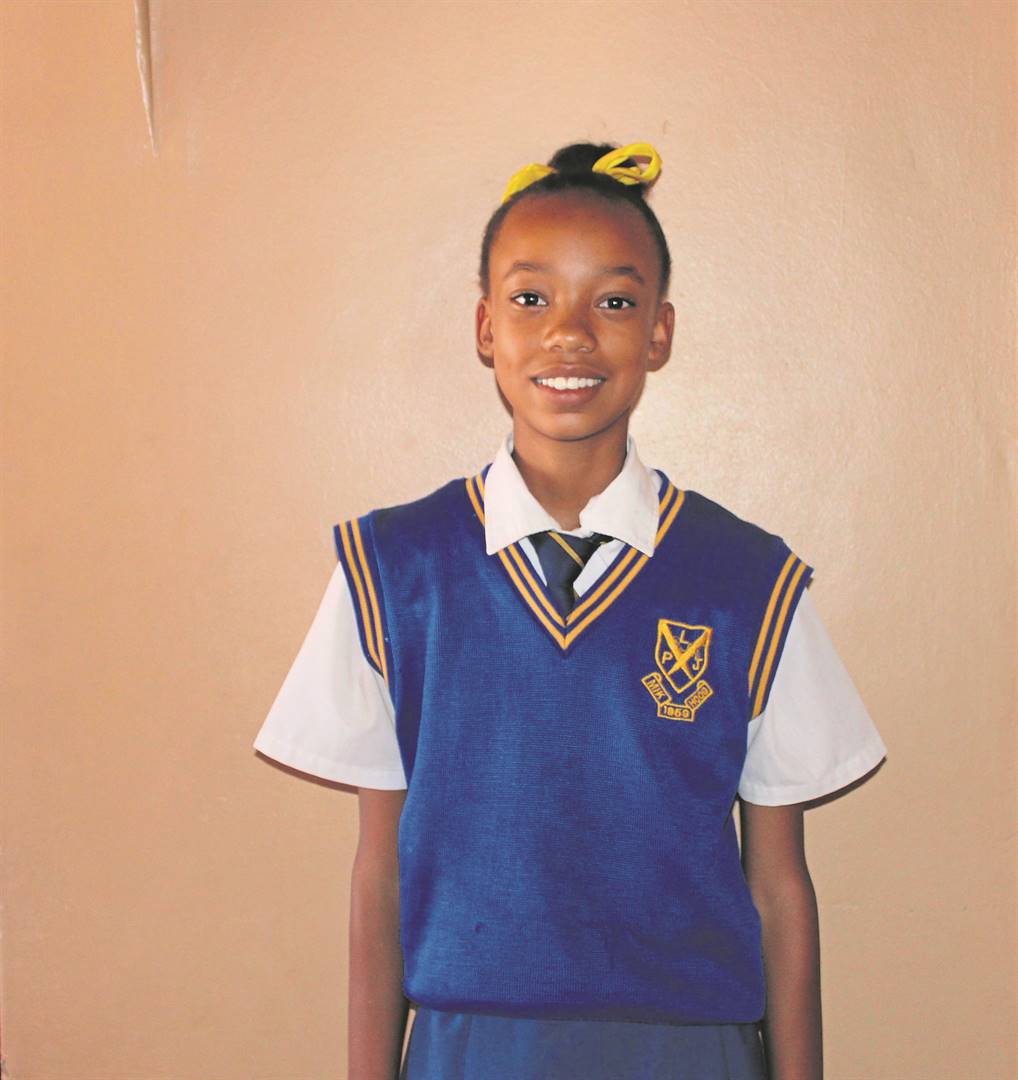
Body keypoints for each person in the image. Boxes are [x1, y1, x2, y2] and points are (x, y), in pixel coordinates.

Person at [253, 141, 887, 1080]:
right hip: (470, 1050)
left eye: (615, 303)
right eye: (531, 298)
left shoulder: (747, 583)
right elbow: (380, 875)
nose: (570, 334)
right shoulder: (393, 574)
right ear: (486, 327)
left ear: (660, 334)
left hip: (690, 1053)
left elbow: (780, 888)